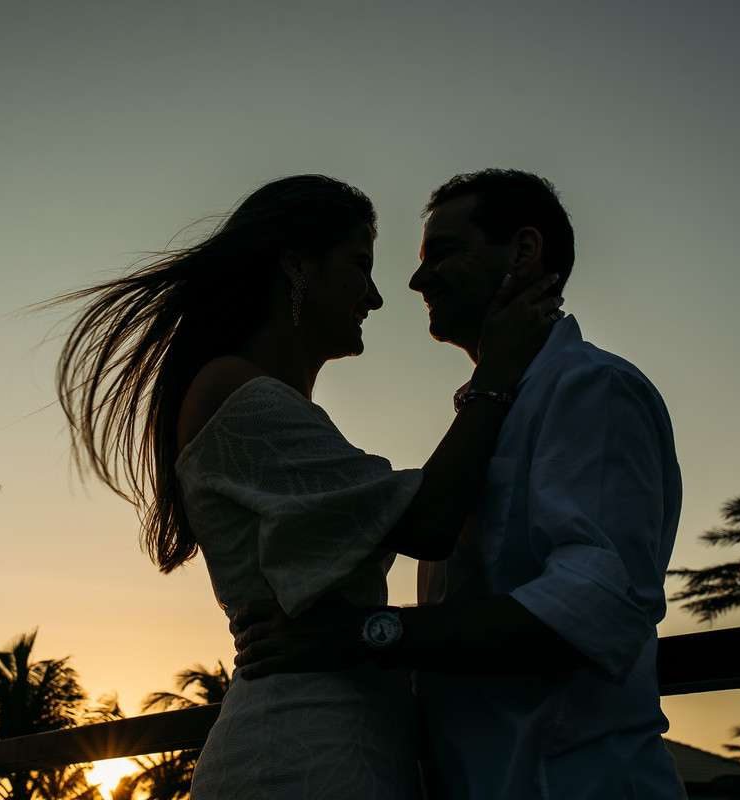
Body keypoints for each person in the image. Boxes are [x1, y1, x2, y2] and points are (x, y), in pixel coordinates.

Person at [51, 174, 563, 798]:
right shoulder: (240, 395)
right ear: (297, 264)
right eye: (359, 265)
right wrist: (498, 373)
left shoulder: (263, 401)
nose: (375, 297)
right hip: (302, 754)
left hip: (334, 744)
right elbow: (429, 521)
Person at [233, 169, 687, 799]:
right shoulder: (494, 410)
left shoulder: (592, 390)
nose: (417, 281)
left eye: (442, 253)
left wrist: (366, 633)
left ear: (523, 253)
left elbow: (595, 608)